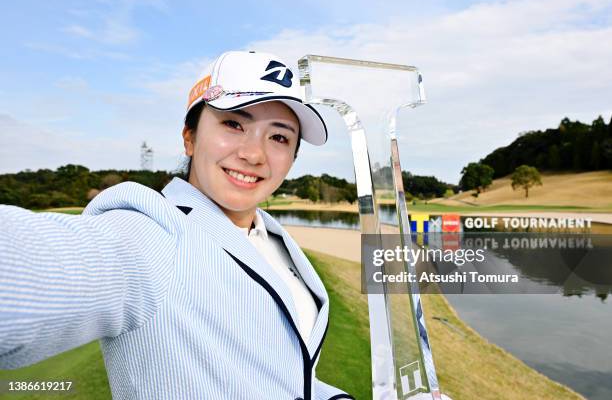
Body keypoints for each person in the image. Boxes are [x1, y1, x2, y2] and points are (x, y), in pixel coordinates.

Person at [0, 51, 353, 400]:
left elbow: (286, 370)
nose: (254, 154)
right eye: (233, 124)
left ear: (292, 158)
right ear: (190, 137)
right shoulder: (154, 233)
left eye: (279, 137)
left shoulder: (273, 237)